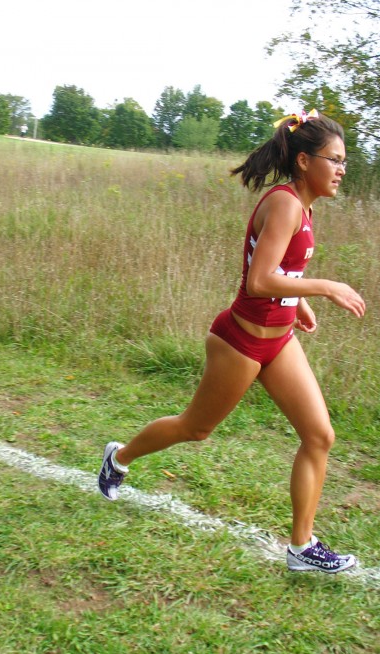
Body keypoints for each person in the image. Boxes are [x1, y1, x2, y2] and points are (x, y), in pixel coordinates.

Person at [98, 109, 366, 574]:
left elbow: (278, 270)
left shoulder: (303, 206)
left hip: (278, 341)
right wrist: (325, 287)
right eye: (334, 160)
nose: (342, 169)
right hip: (240, 340)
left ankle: (302, 548)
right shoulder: (284, 203)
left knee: (319, 435)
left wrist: (297, 304)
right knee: (195, 428)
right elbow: (260, 281)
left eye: (345, 161)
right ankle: (118, 457)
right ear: (304, 161)